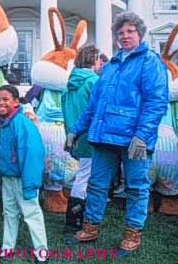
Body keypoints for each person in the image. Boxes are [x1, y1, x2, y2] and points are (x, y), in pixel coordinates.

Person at [64, 11, 169, 256]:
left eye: (130, 31)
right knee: (97, 185)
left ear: (139, 34)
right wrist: (75, 130)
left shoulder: (150, 62)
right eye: (120, 32)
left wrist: (142, 136)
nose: (124, 36)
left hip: (134, 140)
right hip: (104, 137)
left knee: (136, 187)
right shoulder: (109, 67)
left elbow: (156, 102)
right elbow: (94, 105)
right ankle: (90, 229)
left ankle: (133, 234)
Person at [0, 85, 48, 263]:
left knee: (31, 213)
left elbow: (32, 153)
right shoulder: (5, 123)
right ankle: (7, 249)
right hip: (8, 177)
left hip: (22, 178)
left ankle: (41, 252)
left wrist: (30, 183)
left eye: (6, 99)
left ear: (16, 102)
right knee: (9, 213)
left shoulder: (21, 122)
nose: (1, 102)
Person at [61, 45, 101, 235]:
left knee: (83, 175)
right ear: (93, 60)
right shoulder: (94, 81)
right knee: (85, 178)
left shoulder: (69, 83)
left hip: (75, 135)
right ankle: (76, 219)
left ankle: (78, 217)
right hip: (91, 136)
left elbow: (64, 110)